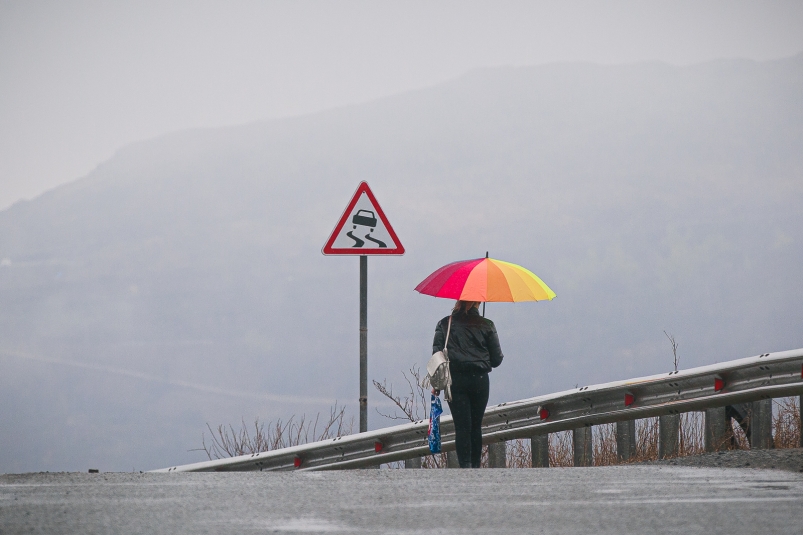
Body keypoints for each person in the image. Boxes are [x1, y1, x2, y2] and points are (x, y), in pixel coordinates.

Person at [431, 300, 504, 468]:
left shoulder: (444, 324)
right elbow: (496, 360)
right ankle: (476, 467)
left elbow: (436, 354)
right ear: (479, 301)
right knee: (475, 426)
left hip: (455, 382)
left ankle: (465, 468)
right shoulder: (487, 325)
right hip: (479, 381)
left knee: (462, 427)